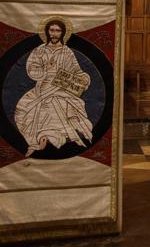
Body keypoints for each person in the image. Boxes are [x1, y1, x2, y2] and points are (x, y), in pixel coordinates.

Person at [15, 19, 92, 158]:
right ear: (47, 32)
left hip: (62, 87)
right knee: (25, 108)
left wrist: (84, 78)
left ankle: (46, 137)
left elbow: (76, 71)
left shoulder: (67, 52)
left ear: (62, 33)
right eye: (52, 30)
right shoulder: (39, 50)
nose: (54, 34)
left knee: (57, 105)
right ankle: (40, 139)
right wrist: (45, 72)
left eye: (58, 31)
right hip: (43, 86)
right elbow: (31, 69)